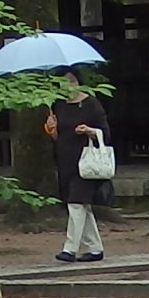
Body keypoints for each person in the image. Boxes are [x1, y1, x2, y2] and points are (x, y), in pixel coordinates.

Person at [47, 74, 113, 262]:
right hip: (66, 160)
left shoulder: (91, 104)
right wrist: (52, 129)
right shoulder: (58, 105)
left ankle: (70, 248)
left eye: (71, 81)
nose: (67, 86)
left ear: (78, 82)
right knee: (81, 205)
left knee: (76, 203)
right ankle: (95, 248)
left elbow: (105, 133)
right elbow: (56, 137)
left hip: (86, 161)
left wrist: (90, 131)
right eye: (63, 82)